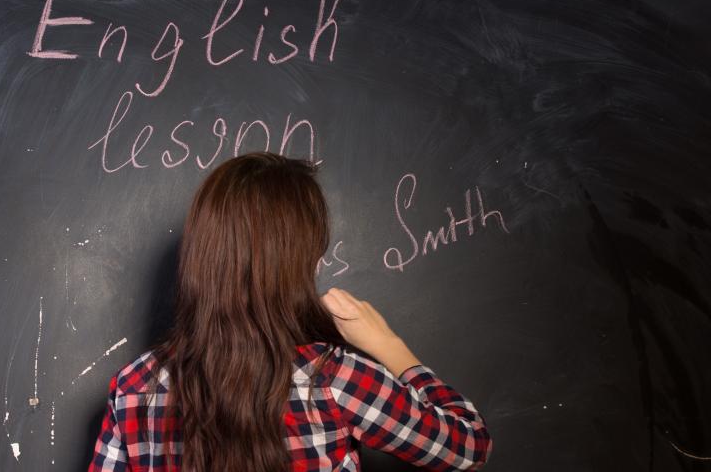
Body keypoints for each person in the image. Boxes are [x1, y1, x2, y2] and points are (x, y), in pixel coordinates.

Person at [88, 152, 492, 471]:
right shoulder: (335, 379)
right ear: (303, 262)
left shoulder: (134, 386)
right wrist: (389, 346)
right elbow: (468, 447)